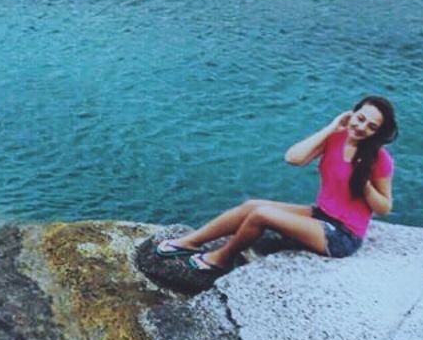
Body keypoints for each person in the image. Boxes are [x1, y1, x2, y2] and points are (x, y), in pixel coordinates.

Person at [153, 96, 398, 277]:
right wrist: (333, 126)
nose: (362, 127)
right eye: (360, 118)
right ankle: (191, 241)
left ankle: (222, 258)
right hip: (322, 214)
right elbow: (294, 158)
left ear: (378, 132)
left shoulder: (379, 159)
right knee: (252, 205)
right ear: (351, 114)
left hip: (343, 235)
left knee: (262, 215)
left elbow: (385, 206)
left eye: (371, 126)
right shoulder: (335, 138)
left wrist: (363, 182)